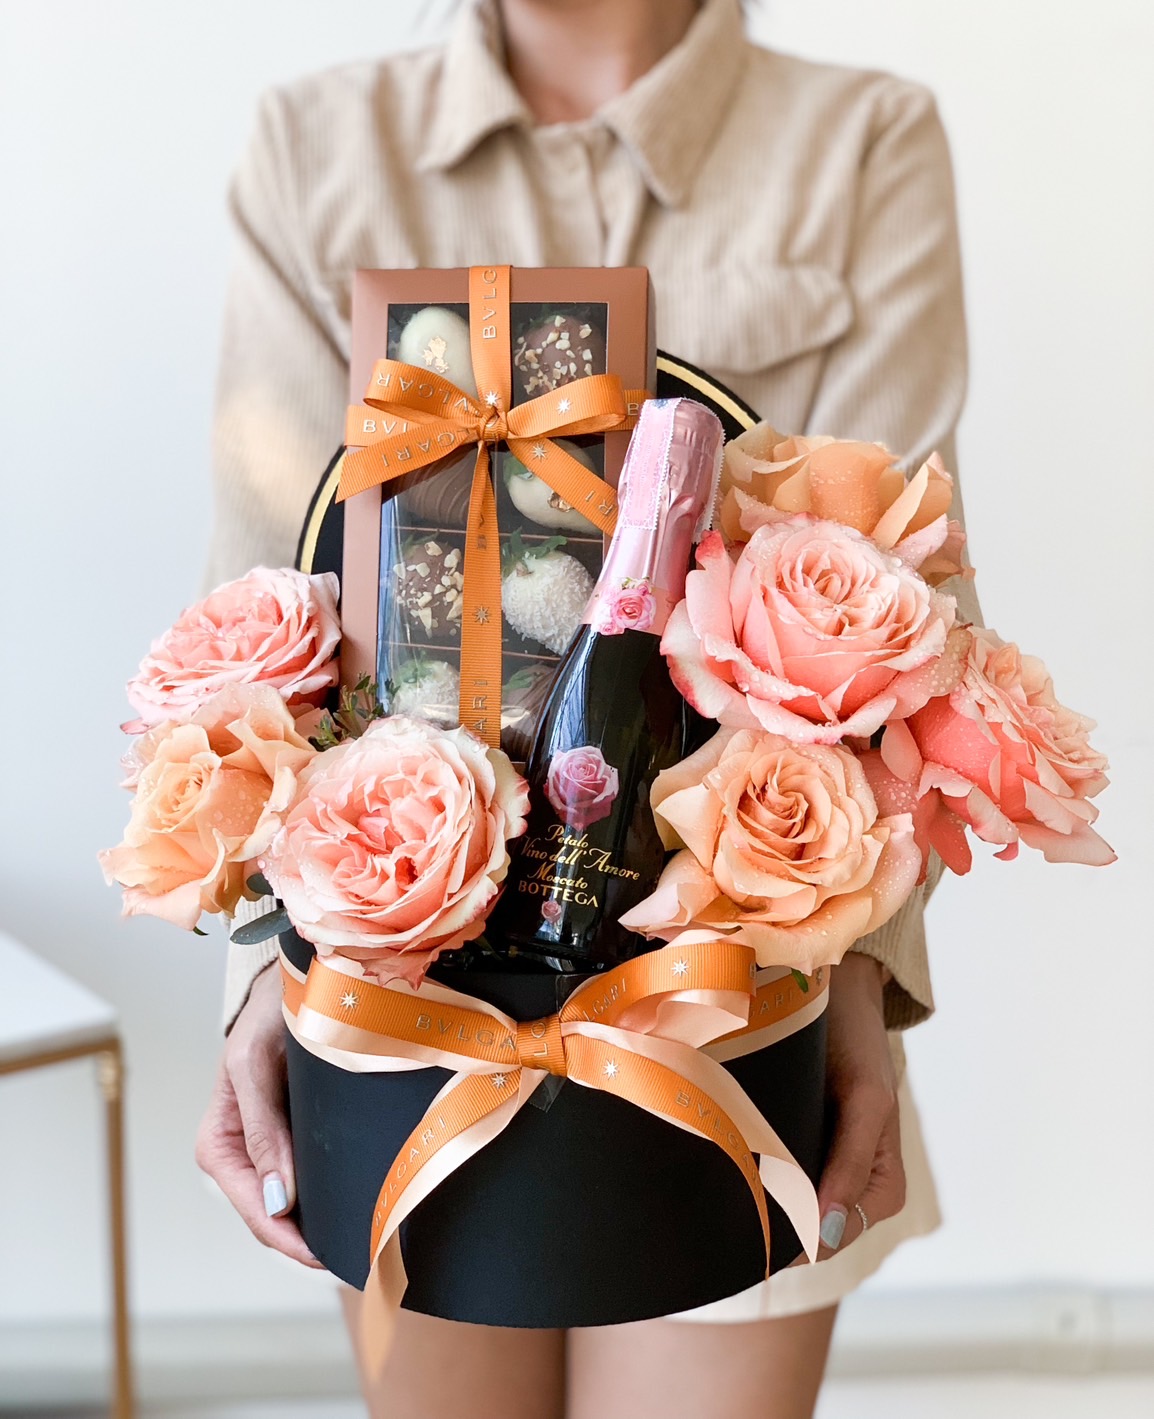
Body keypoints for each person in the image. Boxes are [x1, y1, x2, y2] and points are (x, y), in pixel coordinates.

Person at [194, 2, 982, 1415]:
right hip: (400, 1008)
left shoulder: (858, 141)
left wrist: (862, 972)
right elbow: (255, 608)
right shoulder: (318, 145)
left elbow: (910, 600)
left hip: (738, 1002)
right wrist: (260, 972)